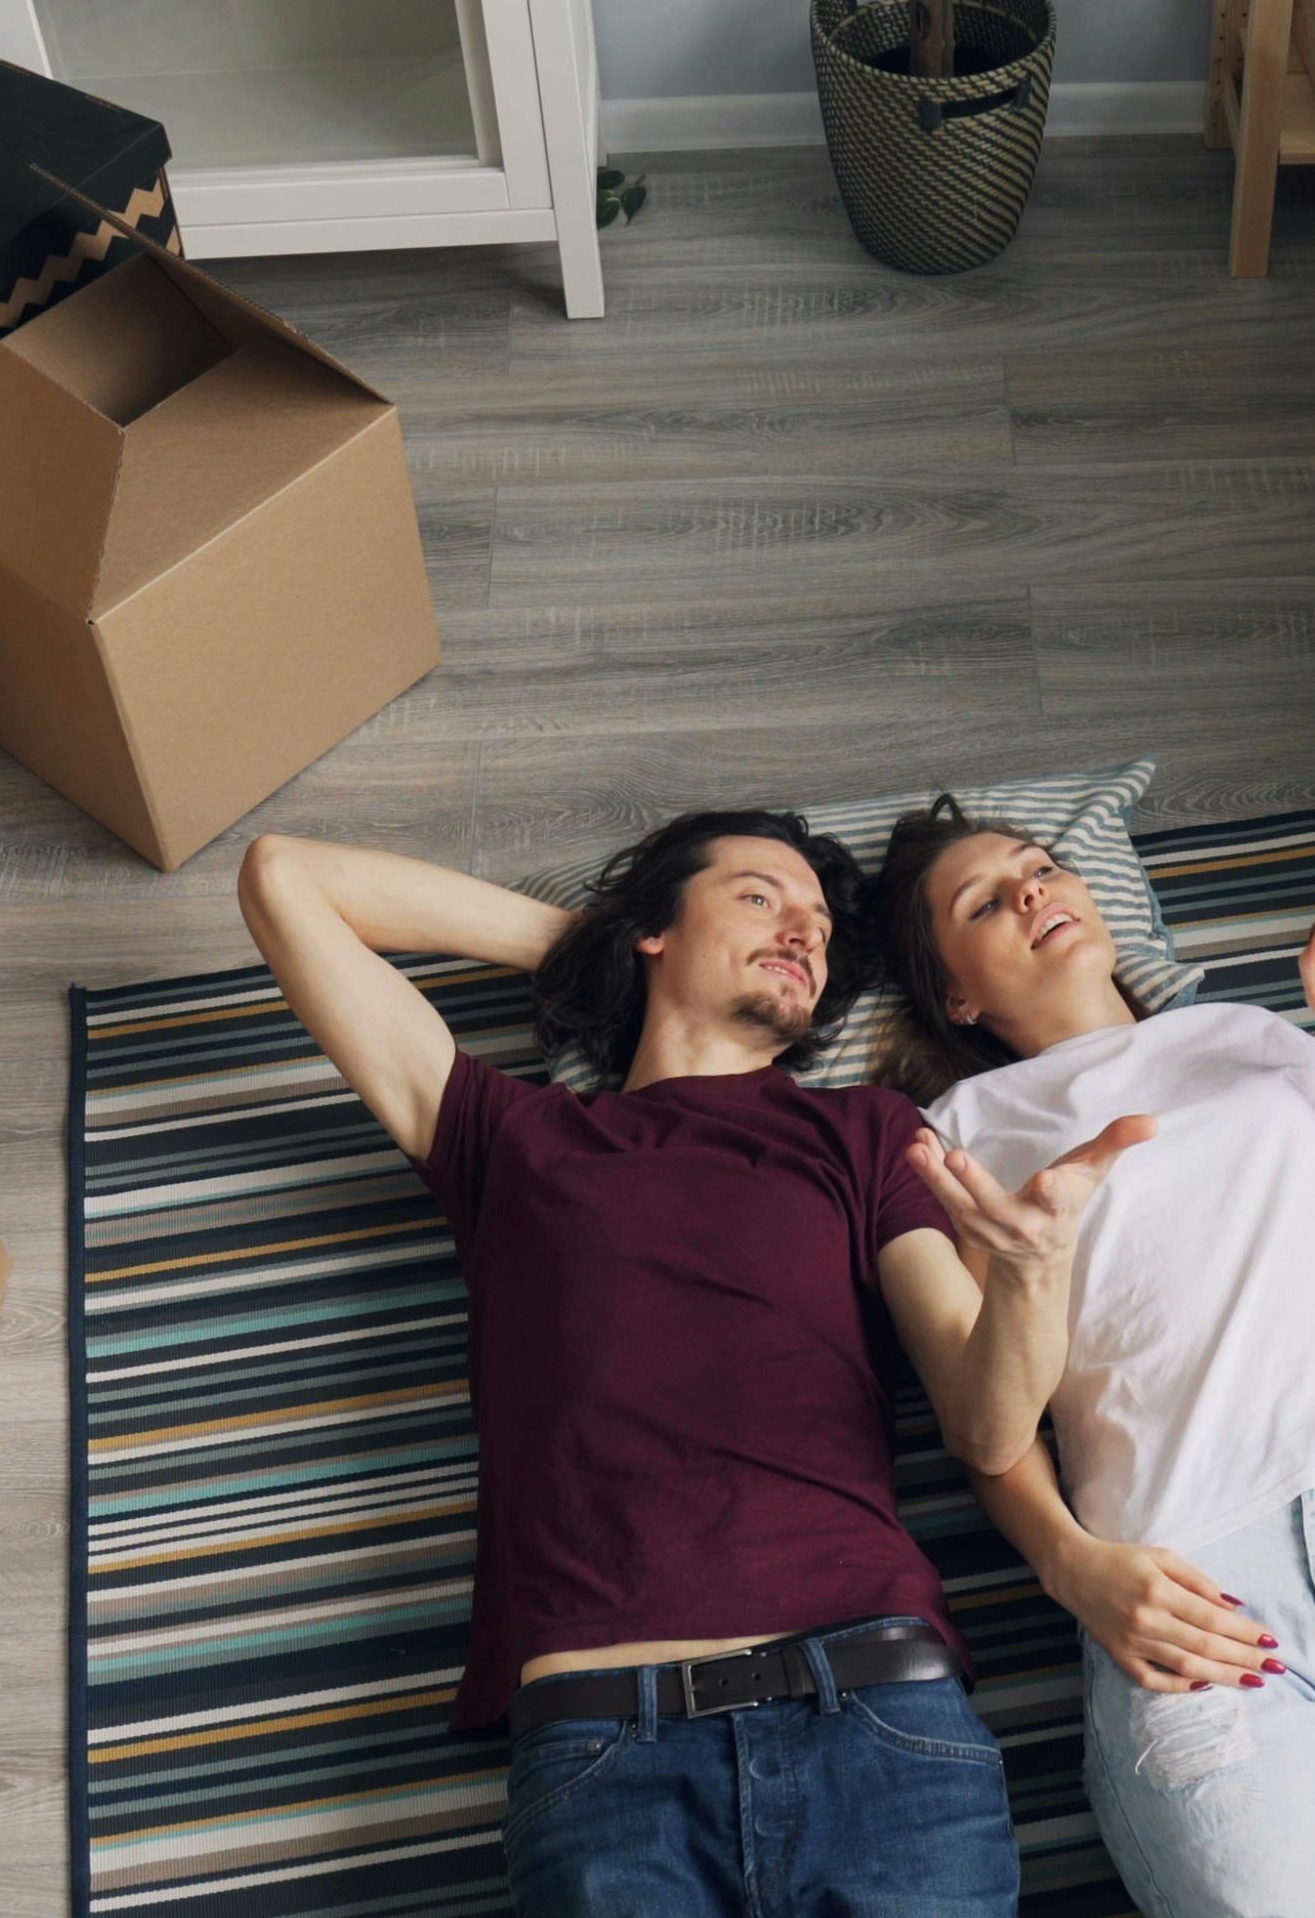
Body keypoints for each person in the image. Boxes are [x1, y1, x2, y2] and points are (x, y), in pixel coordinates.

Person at [236, 811, 1152, 1917]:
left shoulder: (869, 1131)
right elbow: (287, 878)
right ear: (655, 930)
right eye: (762, 897)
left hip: (876, 1719)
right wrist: (601, 945)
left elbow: (987, 1422)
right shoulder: (510, 1135)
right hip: (604, 1755)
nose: (804, 934)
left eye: (818, 925)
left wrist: (1032, 1272)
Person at [874, 796, 1315, 1918]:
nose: (1032, 891)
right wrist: (1070, 1563)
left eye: (1042, 866)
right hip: (1185, 1573)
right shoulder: (957, 1135)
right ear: (954, 994)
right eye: (983, 900)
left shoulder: (1249, 1039)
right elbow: (988, 1425)